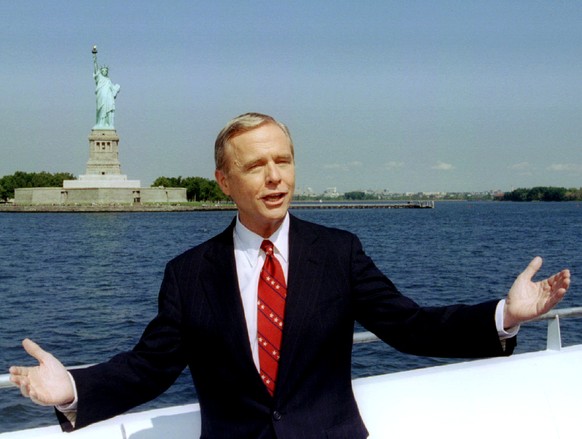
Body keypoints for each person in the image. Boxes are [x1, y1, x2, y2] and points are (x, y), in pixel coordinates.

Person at [10, 113, 571, 438]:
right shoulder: (188, 275)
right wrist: (74, 389)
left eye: (284, 161)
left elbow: (411, 327)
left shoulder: (338, 253)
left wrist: (504, 316)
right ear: (224, 181)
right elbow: (149, 368)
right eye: (255, 165)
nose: (275, 177)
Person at [92, 50, 120, 129]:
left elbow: (114, 90)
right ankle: (100, 124)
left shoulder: (108, 80)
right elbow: (95, 68)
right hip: (101, 97)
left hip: (108, 98)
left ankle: (108, 124)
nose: (105, 72)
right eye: (103, 71)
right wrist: (94, 58)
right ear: (101, 72)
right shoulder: (99, 78)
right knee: (101, 109)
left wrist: (117, 88)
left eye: (106, 71)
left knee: (109, 110)